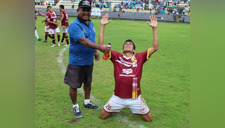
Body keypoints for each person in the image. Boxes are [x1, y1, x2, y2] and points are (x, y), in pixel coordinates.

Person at [98, 14, 159, 122]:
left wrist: (154, 29)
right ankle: (115, 105)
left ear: (134, 50)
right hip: (118, 97)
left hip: (134, 97)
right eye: (126, 44)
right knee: (102, 116)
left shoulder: (140, 57)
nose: (128, 44)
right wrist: (102, 26)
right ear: (122, 49)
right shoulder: (116, 56)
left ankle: (138, 105)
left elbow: (155, 47)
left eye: (130, 44)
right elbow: (101, 45)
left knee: (148, 119)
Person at [64, 0, 109, 118]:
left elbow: (91, 39)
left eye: (88, 10)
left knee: (88, 83)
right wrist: (100, 48)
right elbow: (84, 41)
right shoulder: (74, 25)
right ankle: (75, 106)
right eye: (83, 10)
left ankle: (87, 102)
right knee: (74, 86)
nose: (86, 12)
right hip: (76, 62)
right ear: (78, 11)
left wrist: (94, 51)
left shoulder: (91, 23)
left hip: (88, 61)